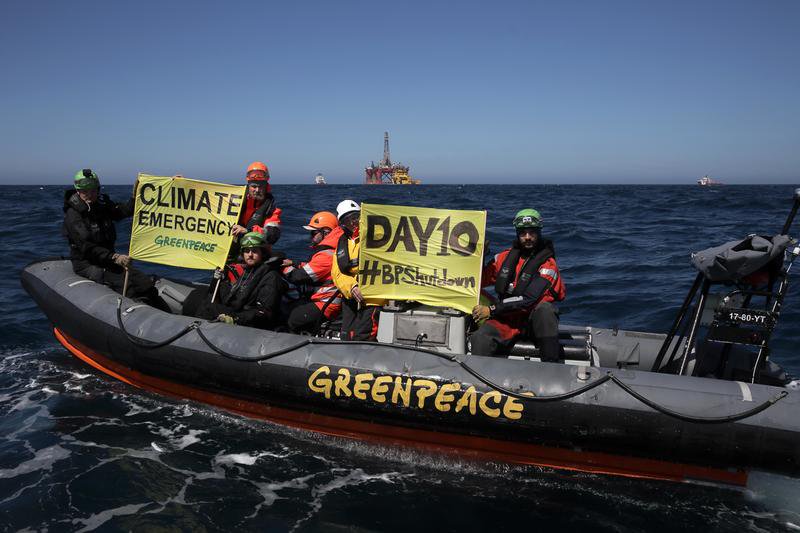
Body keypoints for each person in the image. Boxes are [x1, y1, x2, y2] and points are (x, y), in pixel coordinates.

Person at [62, 169, 168, 309]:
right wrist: (115, 257)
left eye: (93, 191)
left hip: (109, 260)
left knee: (145, 284)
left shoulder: (101, 206)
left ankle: (168, 313)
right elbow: (86, 246)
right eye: (85, 191)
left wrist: (135, 197)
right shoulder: (74, 215)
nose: (89, 195)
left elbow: (121, 212)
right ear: (78, 191)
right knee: (128, 287)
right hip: (88, 264)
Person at [469, 208, 566, 361]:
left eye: (532, 232)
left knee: (546, 310)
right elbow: (477, 280)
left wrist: (492, 309)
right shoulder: (503, 258)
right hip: (507, 320)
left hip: (534, 323)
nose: (527, 237)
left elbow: (529, 299)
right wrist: (479, 256)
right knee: (480, 338)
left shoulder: (549, 266)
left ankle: (551, 368)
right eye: (523, 233)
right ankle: (482, 380)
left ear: (539, 232)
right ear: (517, 233)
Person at [182, 232, 285, 328]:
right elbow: (232, 298)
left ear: (263, 253)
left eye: (254, 251)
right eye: (247, 251)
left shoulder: (271, 277)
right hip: (238, 312)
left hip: (250, 322)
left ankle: (197, 333)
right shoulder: (249, 272)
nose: (250, 254)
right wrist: (219, 280)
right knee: (202, 299)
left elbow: (265, 313)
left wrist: (236, 319)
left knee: (210, 308)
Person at [330, 200, 386, 341]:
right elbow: (337, 273)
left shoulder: (377, 235)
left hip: (373, 299)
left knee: (364, 336)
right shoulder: (342, 244)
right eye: (347, 220)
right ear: (342, 224)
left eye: (355, 216)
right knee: (347, 336)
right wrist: (352, 287)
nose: (353, 222)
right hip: (351, 297)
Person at [283, 211, 344, 333]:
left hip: (326, 304)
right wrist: (295, 264)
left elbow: (298, 277)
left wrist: (283, 268)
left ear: (326, 233)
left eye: (313, 232)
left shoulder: (326, 255)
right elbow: (315, 268)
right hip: (326, 300)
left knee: (293, 318)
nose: (311, 236)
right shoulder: (333, 250)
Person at [230, 161, 282, 249]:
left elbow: (272, 235)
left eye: (261, 187)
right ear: (248, 186)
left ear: (265, 187)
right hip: (230, 248)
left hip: (255, 252)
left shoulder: (271, 207)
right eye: (254, 186)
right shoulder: (235, 199)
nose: (257, 190)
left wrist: (247, 231)